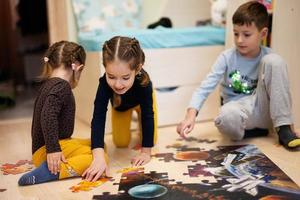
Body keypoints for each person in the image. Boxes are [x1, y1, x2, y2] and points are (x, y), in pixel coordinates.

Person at [177, 1, 300, 149]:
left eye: (246, 34)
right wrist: (190, 116)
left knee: (276, 61)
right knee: (225, 115)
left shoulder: (269, 57)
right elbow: (205, 87)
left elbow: (281, 92)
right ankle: (249, 133)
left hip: (262, 109)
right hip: (237, 111)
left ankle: (284, 127)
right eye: (236, 34)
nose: (240, 40)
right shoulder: (227, 57)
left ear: (263, 34)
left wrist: (290, 123)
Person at [18, 41, 95, 185]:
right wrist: (53, 150)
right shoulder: (62, 86)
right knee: (98, 157)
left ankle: (51, 165)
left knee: (97, 144)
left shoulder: (49, 84)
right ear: (78, 68)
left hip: (48, 147)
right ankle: (54, 171)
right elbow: (47, 115)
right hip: (48, 151)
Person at [82, 36, 158, 182]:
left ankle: (138, 124)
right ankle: (133, 120)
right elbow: (98, 118)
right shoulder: (104, 84)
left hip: (142, 106)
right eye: (111, 76)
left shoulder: (144, 83)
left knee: (150, 139)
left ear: (138, 69)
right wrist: (98, 157)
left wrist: (146, 152)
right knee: (121, 142)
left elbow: (148, 115)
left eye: (125, 77)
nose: (117, 85)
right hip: (121, 106)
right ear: (105, 68)